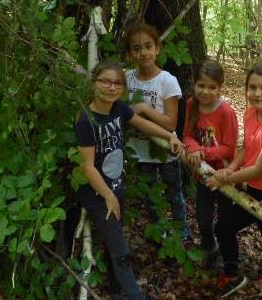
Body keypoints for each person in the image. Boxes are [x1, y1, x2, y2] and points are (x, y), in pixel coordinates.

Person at [75, 61, 184, 300]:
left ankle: (116, 290)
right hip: (98, 196)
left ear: (123, 88)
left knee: (113, 243)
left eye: (116, 83)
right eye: (104, 81)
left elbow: (142, 123)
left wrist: (170, 136)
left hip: (116, 188)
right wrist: (108, 197)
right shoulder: (86, 120)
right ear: (94, 83)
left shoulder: (118, 108)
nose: (110, 87)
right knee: (122, 253)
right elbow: (87, 167)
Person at [206, 59, 262, 297]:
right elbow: (246, 148)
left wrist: (224, 179)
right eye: (252, 87)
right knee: (225, 227)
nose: (256, 93)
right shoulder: (251, 113)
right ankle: (233, 273)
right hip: (252, 187)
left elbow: (260, 168)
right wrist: (231, 168)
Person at [123, 22, 190, 242]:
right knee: (150, 196)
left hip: (166, 149)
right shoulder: (127, 78)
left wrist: (144, 108)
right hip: (140, 151)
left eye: (148, 46)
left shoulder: (167, 81)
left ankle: (182, 235)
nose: (143, 53)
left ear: (157, 48)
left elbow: (170, 124)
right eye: (137, 48)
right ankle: (158, 236)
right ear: (130, 53)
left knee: (174, 194)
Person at [182, 60, 238, 259]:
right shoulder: (191, 104)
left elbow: (229, 148)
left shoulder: (226, 112)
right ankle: (209, 248)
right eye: (201, 85)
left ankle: (228, 258)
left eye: (212, 87)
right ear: (194, 83)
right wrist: (193, 149)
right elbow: (187, 135)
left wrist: (202, 152)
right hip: (203, 174)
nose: (205, 91)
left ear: (220, 88)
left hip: (223, 174)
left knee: (224, 222)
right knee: (203, 219)